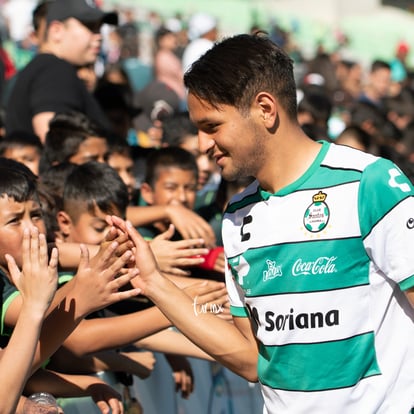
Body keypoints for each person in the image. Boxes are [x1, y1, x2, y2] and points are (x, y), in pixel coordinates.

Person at [112, 33, 414, 413]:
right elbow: (250, 359)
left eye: (212, 126)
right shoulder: (238, 216)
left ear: (266, 109)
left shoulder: (370, 183)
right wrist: (154, 283)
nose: (203, 144)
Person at [0, 157, 141, 412]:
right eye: (14, 221)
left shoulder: (37, 261)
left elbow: (11, 364)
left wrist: (83, 385)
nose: (32, 229)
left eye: (35, 215)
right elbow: (70, 335)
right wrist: (79, 294)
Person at [5, 0, 118, 142]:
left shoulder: (46, 68)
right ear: (56, 30)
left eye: (99, 28)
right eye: (90, 26)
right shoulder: (54, 70)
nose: (99, 36)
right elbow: (54, 143)